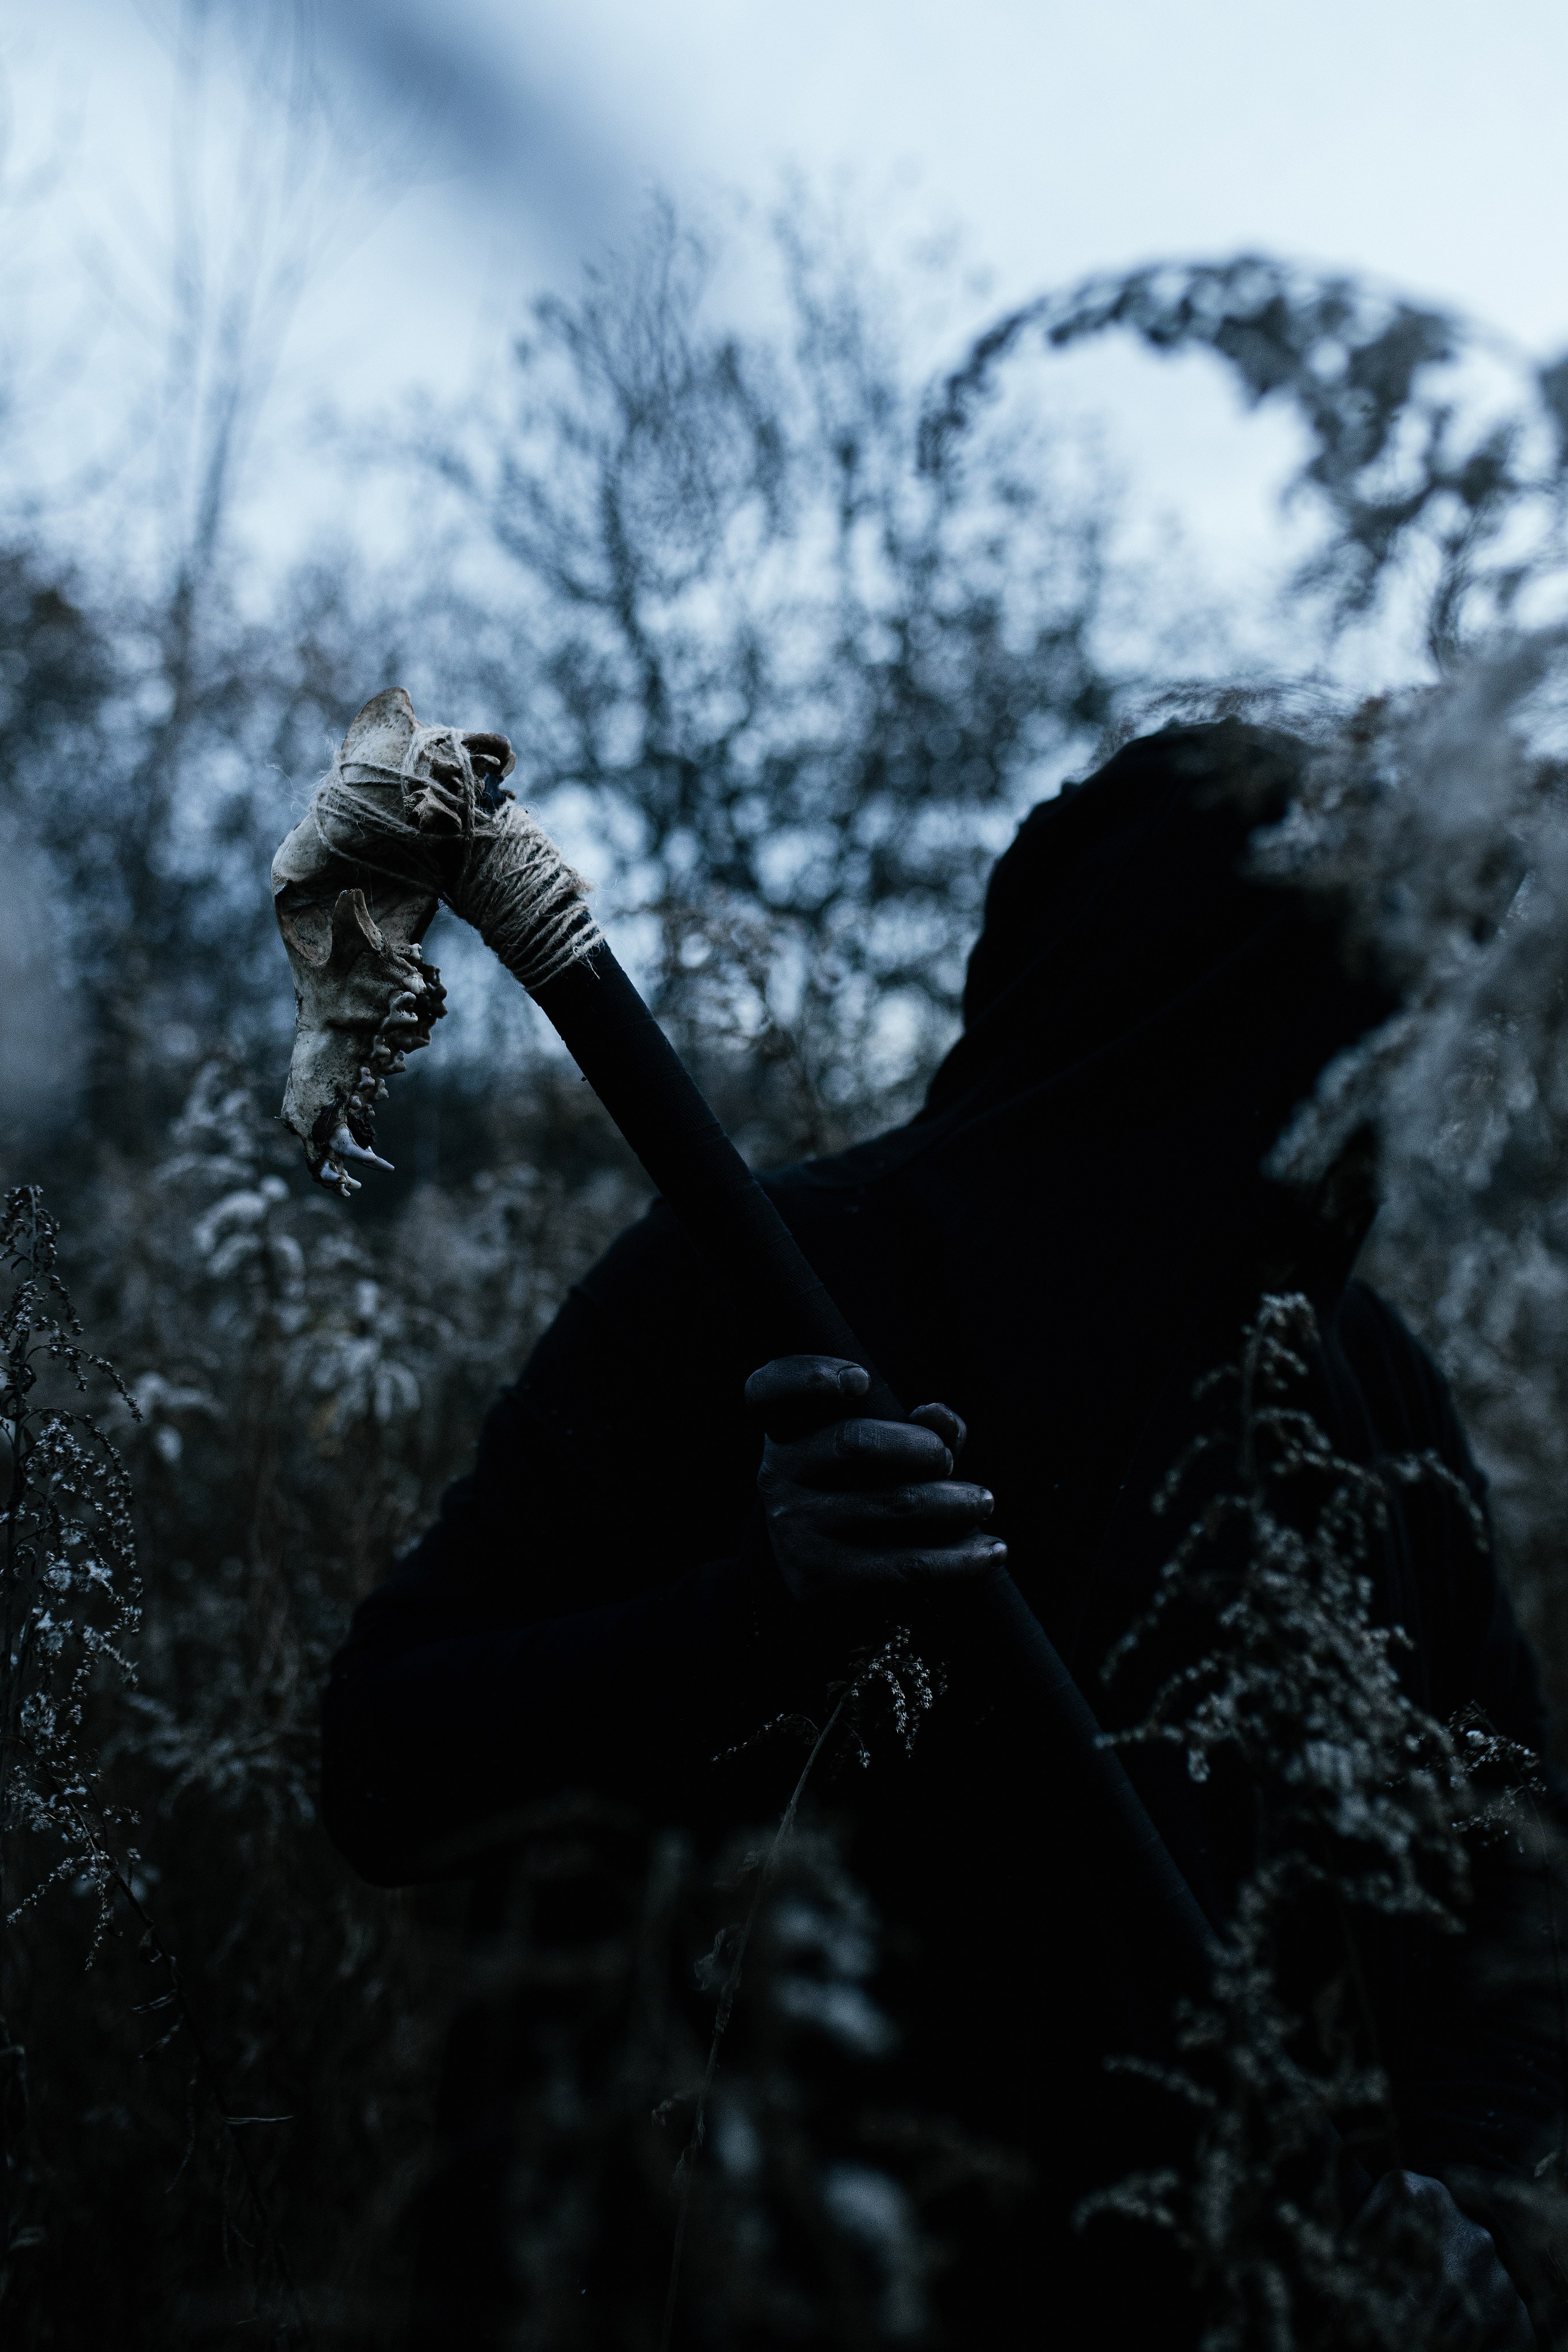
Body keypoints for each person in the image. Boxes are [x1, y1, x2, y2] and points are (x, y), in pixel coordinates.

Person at [323, 720, 1558, 2346]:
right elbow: (390, 1762)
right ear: (1210, 1014)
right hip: (784, 2288)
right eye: (1362, 1024)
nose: (1388, 1095)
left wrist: (1459, 2205)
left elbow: (1515, 1875)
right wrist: (761, 1610)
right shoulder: (755, 1286)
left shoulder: (1355, 1381)